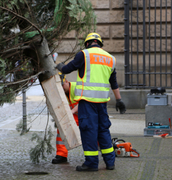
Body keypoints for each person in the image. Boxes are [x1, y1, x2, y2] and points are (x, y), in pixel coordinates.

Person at [56, 32, 126, 171]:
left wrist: (60, 67)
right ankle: (110, 162)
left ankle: (91, 163)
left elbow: (68, 69)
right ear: (99, 44)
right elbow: (114, 83)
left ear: (87, 43)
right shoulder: (110, 58)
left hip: (87, 102)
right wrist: (119, 100)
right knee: (103, 131)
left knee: (89, 131)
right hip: (102, 103)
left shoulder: (84, 54)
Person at [52, 73, 79, 164]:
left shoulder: (77, 87)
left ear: (67, 81)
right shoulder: (60, 92)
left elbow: (84, 102)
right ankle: (61, 155)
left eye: (62, 85)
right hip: (74, 115)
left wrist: (72, 111)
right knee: (62, 129)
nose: (61, 88)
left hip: (85, 114)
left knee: (94, 132)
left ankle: (104, 150)